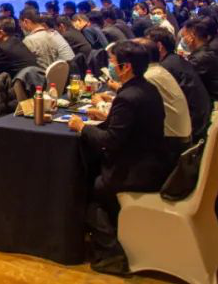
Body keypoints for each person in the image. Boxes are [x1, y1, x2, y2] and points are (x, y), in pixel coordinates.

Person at [68, 41, 169, 276]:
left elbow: (110, 141)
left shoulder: (128, 97)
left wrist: (82, 127)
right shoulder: (147, 88)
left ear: (126, 67)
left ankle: (111, 254)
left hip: (134, 170)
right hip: (152, 161)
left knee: (85, 189)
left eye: (113, 63)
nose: (111, 67)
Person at [145, 27, 211, 142]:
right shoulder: (176, 59)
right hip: (200, 119)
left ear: (159, 46)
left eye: (146, 46)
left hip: (191, 129)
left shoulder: (164, 69)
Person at [181, 17, 218, 103]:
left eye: (183, 36)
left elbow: (185, 83)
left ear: (192, 36)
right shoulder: (207, 51)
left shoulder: (201, 58)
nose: (183, 40)